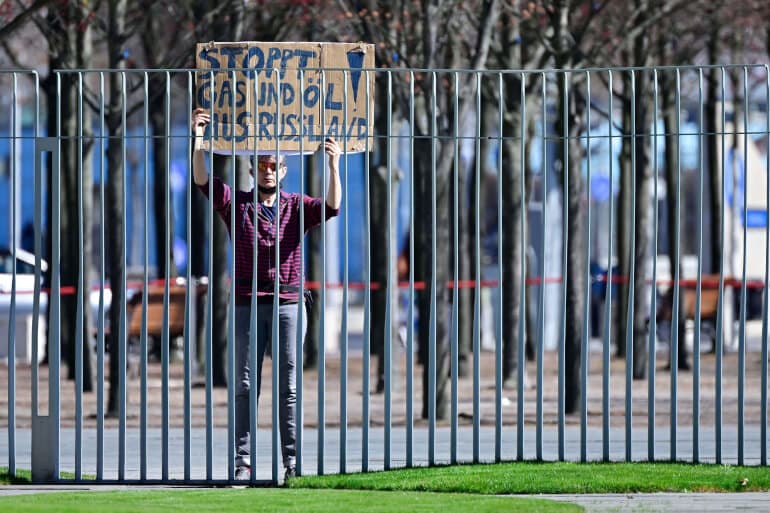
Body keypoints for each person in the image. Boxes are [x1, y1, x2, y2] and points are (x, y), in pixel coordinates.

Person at [191, 108, 341, 481]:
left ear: (283, 170)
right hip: (246, 303)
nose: (268, 170)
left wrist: (333, 165)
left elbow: (333, 207)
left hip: (289, 303)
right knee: (244, 386)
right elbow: (203, 181)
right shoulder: (237, 204)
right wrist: (197, 140)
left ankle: (292, 464)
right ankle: (243, 462)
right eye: (262, 164)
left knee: (288, 386)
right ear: (253, 169)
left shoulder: (296, 206)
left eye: (274, 165)